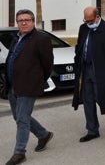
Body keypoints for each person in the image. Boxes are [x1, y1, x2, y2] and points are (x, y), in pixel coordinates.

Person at [4, 9, 54, 165]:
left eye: (27, 19)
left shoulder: (41, 38)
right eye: (20, 20)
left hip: (29, 85)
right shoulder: (16, 38)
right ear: (17, 23)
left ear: (33, 22)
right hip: (13, 85)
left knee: (22, 120)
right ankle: (43, 134)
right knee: (18, 117)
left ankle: (19, 153)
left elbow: (47, 63)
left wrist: (38, 79)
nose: (23, 22)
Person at [72, 6, 105, 142]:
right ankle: (92, 130)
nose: (88, 23)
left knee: (103, 100)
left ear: (97, 16)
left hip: (102, 71)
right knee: (88, 101)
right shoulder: (83, 29)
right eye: (86, 20)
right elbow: (80, 46)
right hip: (85, 69)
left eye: (90, 20)